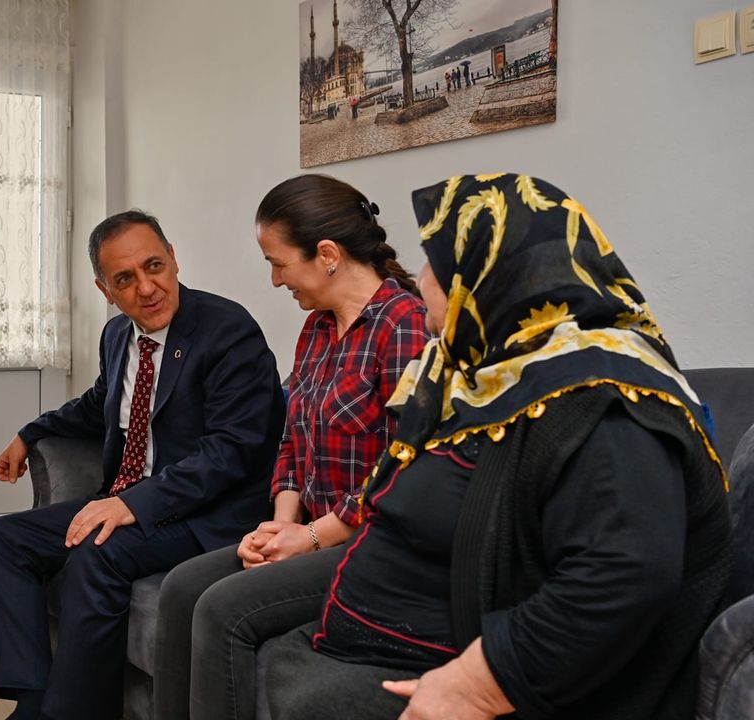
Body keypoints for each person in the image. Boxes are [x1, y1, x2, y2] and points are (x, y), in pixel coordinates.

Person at [257, 173, 731, 719]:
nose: (420, 280)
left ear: (491, 274)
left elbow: (626, 575)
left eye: (436, 264)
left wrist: (479, 685)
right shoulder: (499, 376)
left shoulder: (605, 397)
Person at [0, 210, 285, 720]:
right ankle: (32, 700)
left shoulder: (227, 330)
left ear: (174, 259)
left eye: (154, 266)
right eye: (125, 279)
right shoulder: (118, 334)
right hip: (130, 497)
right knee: (5, 540)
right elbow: (99, 404)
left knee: (97, 551)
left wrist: (131, 505)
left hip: (205, 511)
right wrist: (30, 433)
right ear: (105, 290)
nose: (146, 288)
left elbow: (231, 451)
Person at [153, 175, 429, 720]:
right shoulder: (317, 329)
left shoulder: (404, 327)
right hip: (308, 532)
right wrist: (281, 524)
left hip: (371, 545)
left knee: (222, 610)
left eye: (278, 264)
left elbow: (406, 468)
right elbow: (291, 440)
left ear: (327, 255)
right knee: (181, 588)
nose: (275, 280)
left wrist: (311, 536)